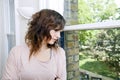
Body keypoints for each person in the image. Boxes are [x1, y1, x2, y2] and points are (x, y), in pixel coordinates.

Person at [2, 9, 66, 80]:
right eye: (56, 30)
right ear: (42, 28)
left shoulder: (60, 53)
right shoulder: (17, 53)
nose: (59, 36)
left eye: (60, 31)